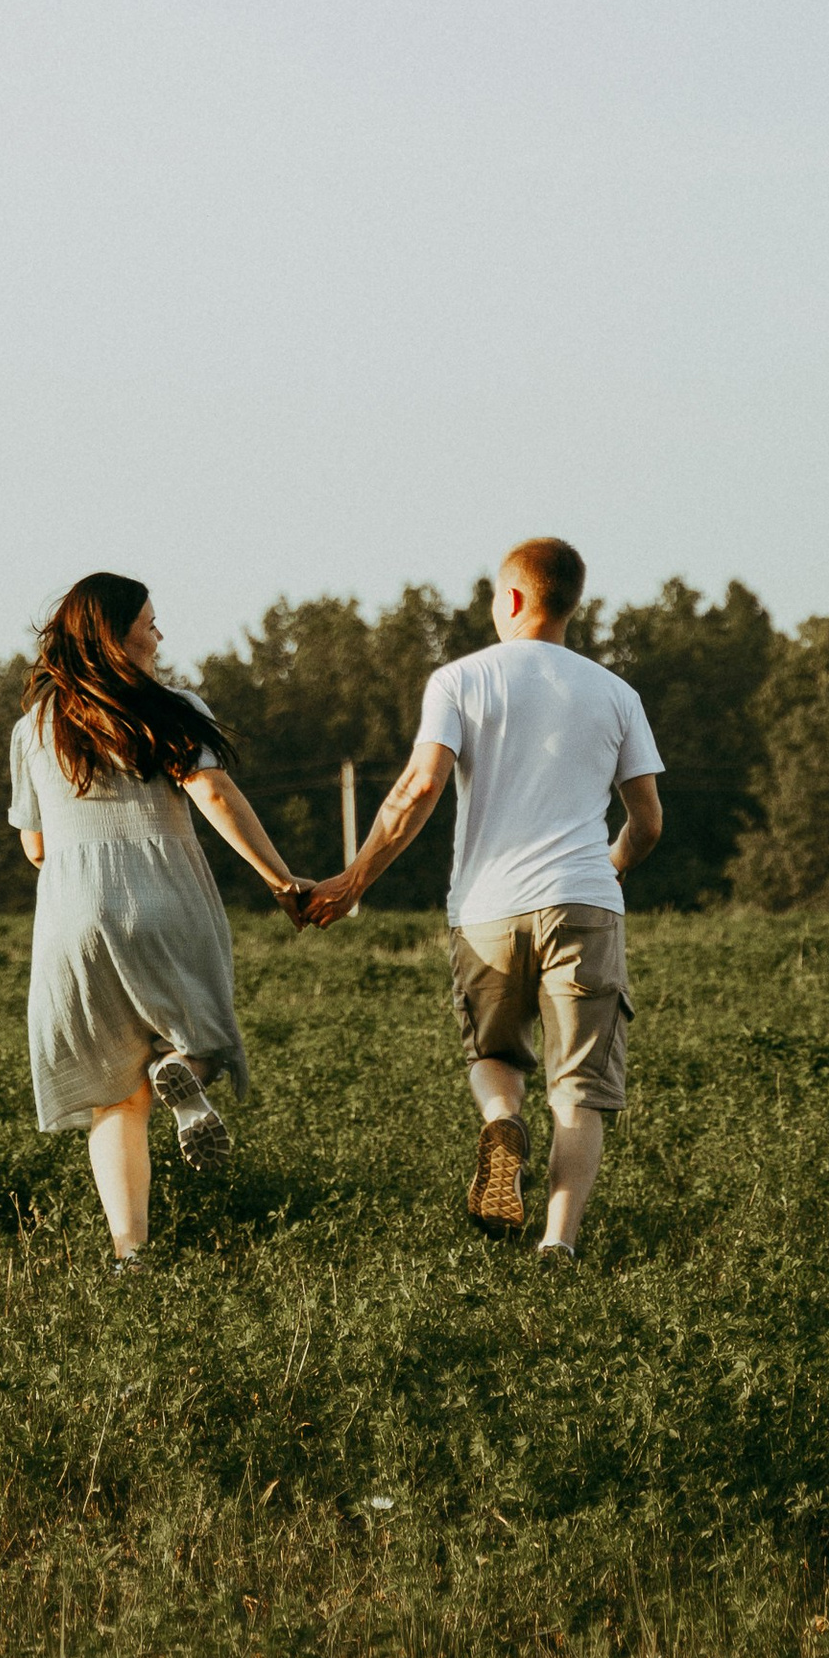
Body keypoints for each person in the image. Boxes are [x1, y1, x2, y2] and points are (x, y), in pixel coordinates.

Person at [302, 537, 661, 1261]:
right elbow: (649, 821)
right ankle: (557, 1244)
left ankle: (502, 1119)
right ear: (570, 602)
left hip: (487, 909)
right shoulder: (617, 694)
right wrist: (613, 864)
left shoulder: (460, 679)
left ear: (515, 599)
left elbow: (419, 788)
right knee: (580, 1089)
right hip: (585, 902)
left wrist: (353, 880)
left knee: (494, 1053)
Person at [9, 571, 315, 1268]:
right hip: (164, 895)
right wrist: (281, 880)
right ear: (118, 636)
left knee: (114, 1102)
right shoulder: (171, 706)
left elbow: (34, 846)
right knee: (206, 1032)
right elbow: (212, 791)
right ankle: (184, 1071)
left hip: (71, 916)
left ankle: (129, 1253)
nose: (160, 633)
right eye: (150, 621)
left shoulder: (34, 727)